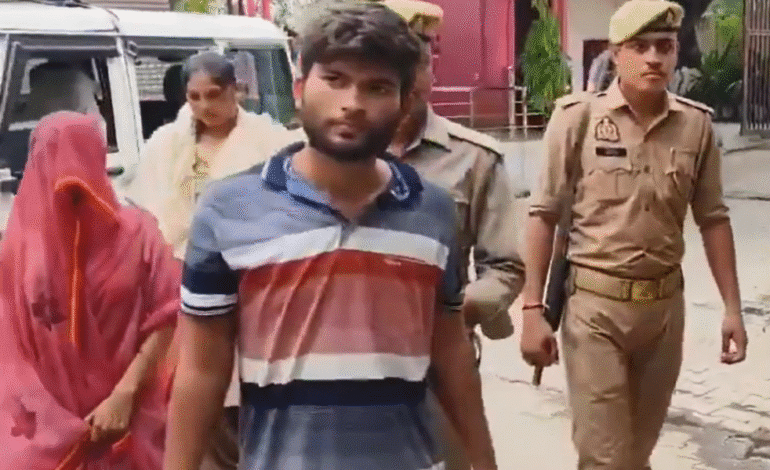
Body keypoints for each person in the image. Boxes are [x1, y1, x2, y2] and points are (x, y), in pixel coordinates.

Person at [163, 2, 497, 470]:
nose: (353, 103)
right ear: (300, 89)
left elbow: (451, 353)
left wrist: (485, 462)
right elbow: (201, 372)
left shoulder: (433, 210)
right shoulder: (227, 208)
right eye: (335, 79)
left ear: (405, 102)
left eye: (377, 87)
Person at [520, 1, 748, 469]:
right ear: (615, 53)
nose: (653, 58)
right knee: (605, 458)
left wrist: (732, 308)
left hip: (663, 315)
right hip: (594, 311)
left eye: (665, 47)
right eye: (639, 47)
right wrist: (531, 310)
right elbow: (543, 214)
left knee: (636, 454)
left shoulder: (696, 126)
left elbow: (713, 219)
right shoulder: (577, 119)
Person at [125, 51, 298, 470]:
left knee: (250, 397)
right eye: (194, 97)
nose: (205, 106)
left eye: (214, 95)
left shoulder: (271, 143)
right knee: (194, 400)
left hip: (252, 284)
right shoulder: (167, 143)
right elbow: (146, 213)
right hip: (180, 285)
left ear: (236, 90)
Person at [383, 1, 524, 469]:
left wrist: (454, 311)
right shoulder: (326, 157)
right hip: (349, 368)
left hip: (442, 364)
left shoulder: (474, 158)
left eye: (417, 60)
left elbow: (504, 266)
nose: (405, 76)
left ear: (431, 68)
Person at [0, 112, 181, 469]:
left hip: (130, 422)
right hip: (50, 433)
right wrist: (56, 425)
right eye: (52, 155)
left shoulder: (140, 235)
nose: (66, 170)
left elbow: (167, 316)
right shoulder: (18, 251)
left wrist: (125, 395)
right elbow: (11, 352)